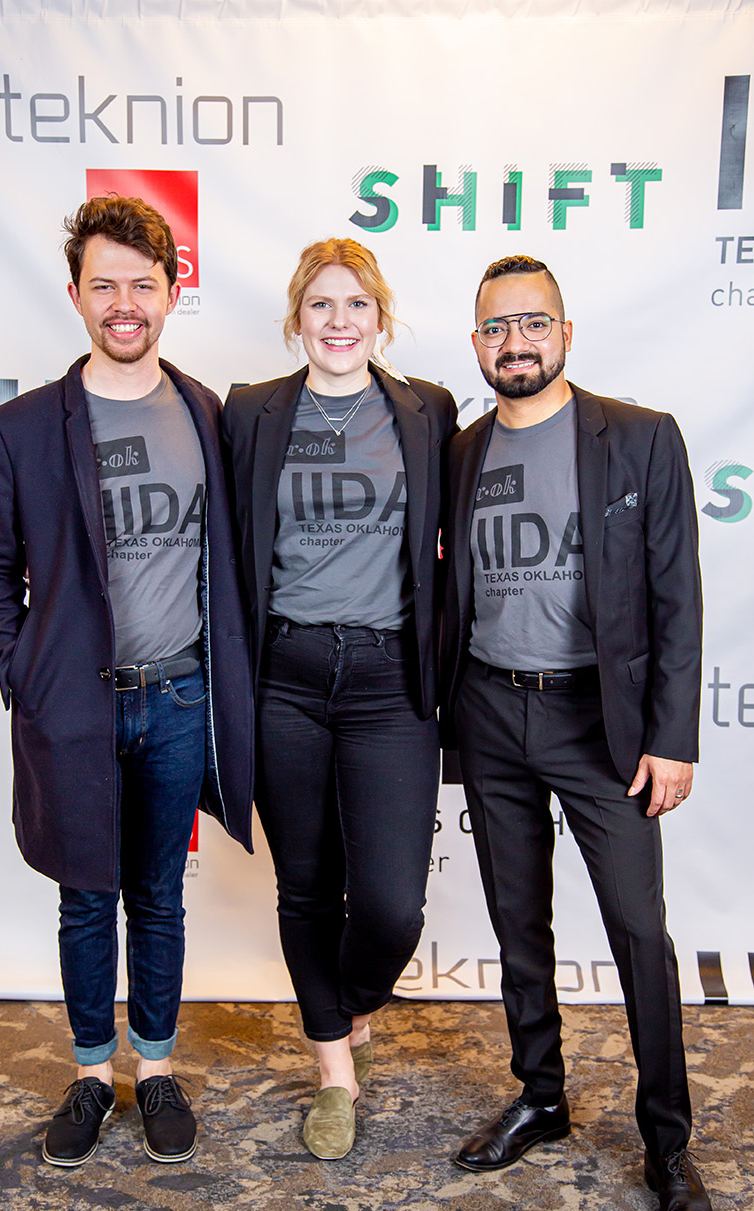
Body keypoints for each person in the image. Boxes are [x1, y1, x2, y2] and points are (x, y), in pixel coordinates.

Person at [0, 195, 253, 1169]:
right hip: (76, 707)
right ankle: (92, 1073)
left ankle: (157, 1066)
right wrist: (28, 676)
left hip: (178, 697)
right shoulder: (24, 427)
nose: (124, 303)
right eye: (105, 285)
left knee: (159, 894)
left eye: (142, 282)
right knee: (86, 897)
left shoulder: (205, 411)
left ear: (171, 289)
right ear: (79, 293)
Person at [441, 254, 713, 1211]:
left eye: (533, 323)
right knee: (521, 923)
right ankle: (541, 1095)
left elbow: (678, 597)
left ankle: (667, 1139)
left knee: (639, 931)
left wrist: (673, 738)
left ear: (565, 332)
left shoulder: (638, 439)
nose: (516, 343)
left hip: (603, 725)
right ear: (477, 346)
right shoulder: (461, 452)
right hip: (491, 713)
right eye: (497, 329)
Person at [222, 238, 458, 1159]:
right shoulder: (252, 413)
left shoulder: (425, 411)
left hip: (389, 677)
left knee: (393, 904)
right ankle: (334, 1072)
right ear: (295, 318)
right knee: (308, 885)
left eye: (356, 303)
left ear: (381, 316)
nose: (338, 320)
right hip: (284, 672)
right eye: (320, 304)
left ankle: (349, 1002)